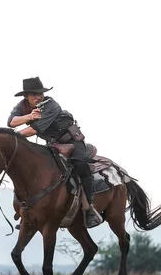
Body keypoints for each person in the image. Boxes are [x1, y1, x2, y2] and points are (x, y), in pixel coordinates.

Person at [7, 76, 103, 228]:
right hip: (53, 144)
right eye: (34, 94)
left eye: (40, 93)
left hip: (72, 140)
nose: (38, 97)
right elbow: (11, 122)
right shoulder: (22, 106)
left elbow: (34, 130)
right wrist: (30, 116)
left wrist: (12, 137)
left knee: (80, 164)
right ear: (26, 96)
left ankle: (89, 208)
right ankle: (30, 210)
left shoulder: (51, 106)